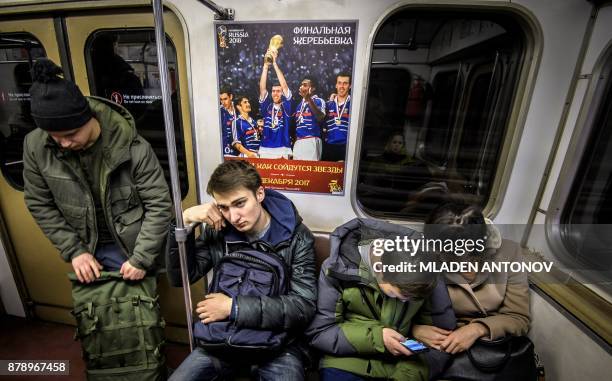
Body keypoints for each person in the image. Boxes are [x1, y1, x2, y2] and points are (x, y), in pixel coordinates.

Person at [23, 58, 172, 377]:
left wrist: (142, 257)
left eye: (71, 133)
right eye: (55, 137)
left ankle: (148, 367)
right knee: (99, 319)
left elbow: (159, 204)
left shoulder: (131, 144)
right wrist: (73, 250)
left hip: (132, 243)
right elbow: (39, 202)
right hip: (85, 245)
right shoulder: (36, 146)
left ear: (89, 118)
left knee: (139, 316)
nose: (64, 143)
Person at [166, 160, 317, 380]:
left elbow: (303, 306)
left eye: (240, 203)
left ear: (260, 194)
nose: (233, 217)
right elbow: (181, 276)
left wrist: (233, 307)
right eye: (223, 207)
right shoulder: (219, 230)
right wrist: (185, 221)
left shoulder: (296, 237)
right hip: (223, 338)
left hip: (277, 346)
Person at [306, 218, 455, 381]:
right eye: (400, 296)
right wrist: (378, 338)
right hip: (347, 361)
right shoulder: (338, 268)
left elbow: (439, 344)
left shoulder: (427, 270)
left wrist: (406, 375)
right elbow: (321, 332)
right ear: (381, 271)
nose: (405, 302)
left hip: (403, 364)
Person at [414, 203, 531, 379]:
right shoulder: (422, 255)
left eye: (470, 255)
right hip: (437, 340)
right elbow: (401, 309)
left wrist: (478, 329)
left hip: (489, 344)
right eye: (452, 258)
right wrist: (415, 330)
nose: (464, 267)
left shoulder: (510, 253)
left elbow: (519, 318)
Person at [258, 49, 293, 159]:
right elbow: (262, 88)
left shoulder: (286, 106)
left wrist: (274, 64)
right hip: (265, 148)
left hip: (282, 148)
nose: (275, 93)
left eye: (278, 91)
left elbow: (284, 85)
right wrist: (265, 66)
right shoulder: (267, 106)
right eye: (273, 91)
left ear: (282, 93)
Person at [293, 76, 326, 161]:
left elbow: (320, 117)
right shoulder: (299, 105)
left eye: (305, 85)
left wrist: (308, 99)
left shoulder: (319, 101)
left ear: (313, 88)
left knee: (311, 172)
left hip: (312, 140)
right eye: (301, 85)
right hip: (298, 142)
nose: (301, 87)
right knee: (298, 172)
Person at [322, 72, 351, 162]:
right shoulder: (328, 104)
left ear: (350, 86)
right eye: (339, 83)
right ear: (336, 85)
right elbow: (323, 126)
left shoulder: (353, 104)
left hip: (347, 147)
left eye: (345, 83)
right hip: (329, 147)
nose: (342, 86)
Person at [219, 86, 238, 156]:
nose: (223, 102)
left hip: (241, 148)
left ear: (231, 97)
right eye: (221, 100)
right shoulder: (219, 111)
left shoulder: (239, 108)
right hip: (226, 149)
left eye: (225, 99)